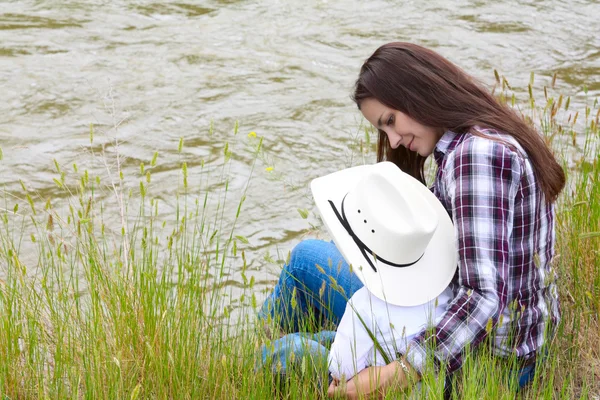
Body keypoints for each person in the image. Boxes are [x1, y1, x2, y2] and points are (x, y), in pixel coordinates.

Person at [258, 42, 565, 398]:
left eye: (390, 121)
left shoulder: (476, 158)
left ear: (418, 93)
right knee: (307, 257)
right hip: (447, 315)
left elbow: (483, 299)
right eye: (381, 129)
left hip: (490, 366)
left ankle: (278, 358)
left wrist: (394, 374)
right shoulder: (473, 139)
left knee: (288, 353)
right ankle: (298, 342)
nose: (393, 139)